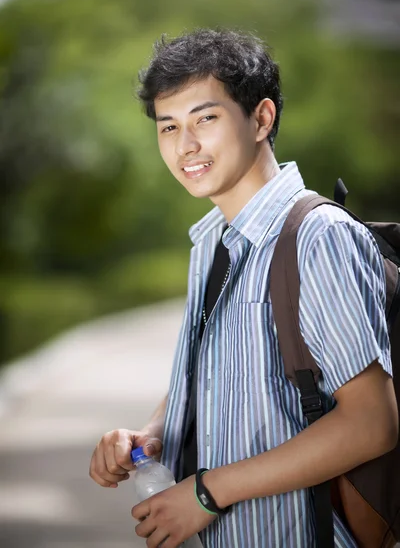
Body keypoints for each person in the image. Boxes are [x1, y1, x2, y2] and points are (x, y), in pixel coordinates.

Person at [89, 29, 398, 548]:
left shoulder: (317, 237)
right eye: (168, 127)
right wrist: (151, 436)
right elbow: (225, 368)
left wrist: (207, 494)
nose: (185, 146)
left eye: (205, 119)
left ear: (261, 118)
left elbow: (373, 424)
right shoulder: (212, 242)